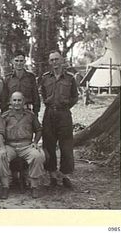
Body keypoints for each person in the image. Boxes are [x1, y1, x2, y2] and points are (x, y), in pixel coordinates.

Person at [41, 50, 79, 188]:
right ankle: (52, 175)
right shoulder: (45, 78)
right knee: (48, 145)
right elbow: (43, 94)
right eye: (51, 60)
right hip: (49, 114)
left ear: (62, 60)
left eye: (56, 59)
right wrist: (49, 102)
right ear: (49, 62)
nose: (54, 62)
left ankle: (65, 176)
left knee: (66, 145)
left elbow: (75, 96)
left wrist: (66, 106)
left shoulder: (70, 78)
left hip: (64, 115)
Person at [0, 91, 45, 199]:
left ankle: (34, 186)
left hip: (26, 145)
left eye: (19, 100)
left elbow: (39, 130)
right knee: (1, 156)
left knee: (38, 155)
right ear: (10, 102)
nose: (17, 102)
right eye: (14, 100)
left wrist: (35, 143)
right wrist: (2, 148)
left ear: (23, 101)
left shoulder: (30, 115)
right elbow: (0, 133)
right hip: (10, 145)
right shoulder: (5, 116)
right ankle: (5, 186)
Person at [3, 50, 40, 116]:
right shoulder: (8, 79)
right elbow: (4, 99)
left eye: (21, 61)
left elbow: (36, 97)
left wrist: (35, 114)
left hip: (27, 112)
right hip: (11, 113)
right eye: (16, 61)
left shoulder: (31, 77)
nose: (19, 63)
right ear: (12, 61)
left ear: (24, 62)